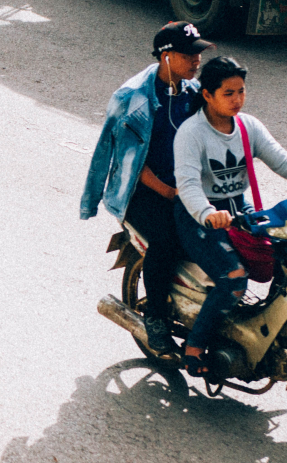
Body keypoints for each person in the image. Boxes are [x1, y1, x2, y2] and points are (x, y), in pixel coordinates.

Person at [172, 57, 287, 376]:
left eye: (241, 91)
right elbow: (187, 184)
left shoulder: (247, 126)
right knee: (234, 278)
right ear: (207, 95)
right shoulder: (191, 132)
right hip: (198, 219)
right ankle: (195, 347)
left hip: (240, 212)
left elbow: (281, 159)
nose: (237, 99)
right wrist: (208, 213)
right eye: (228, 93)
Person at [80, 22, 214, 359]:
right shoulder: (134, 98)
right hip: (143, 192)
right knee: (168, 239)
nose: (197, 60)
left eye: (198, 54)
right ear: (166, 56)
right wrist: (169, 193)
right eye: (189, 54)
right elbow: (127, 161)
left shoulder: (192, 92)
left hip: (184, 187)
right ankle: (155, 317)